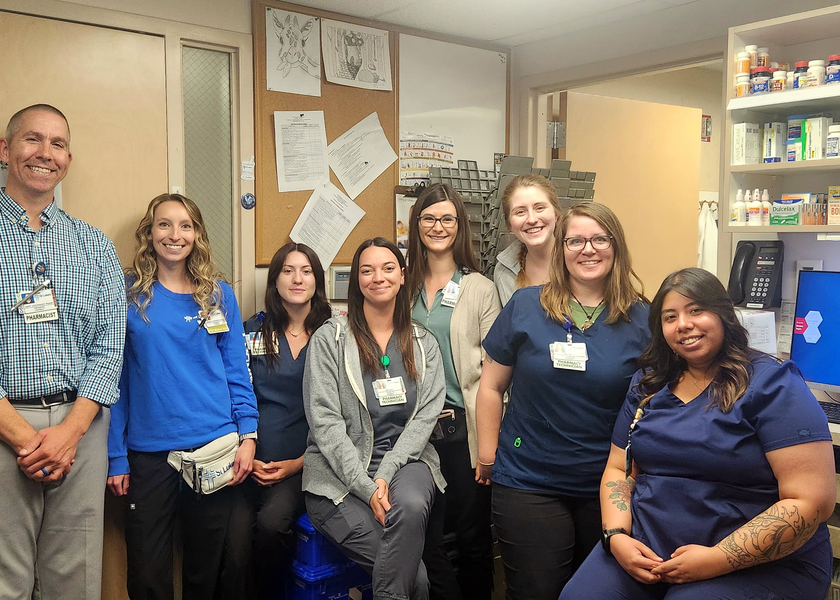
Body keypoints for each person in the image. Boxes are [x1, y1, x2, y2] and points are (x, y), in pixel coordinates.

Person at [561, 267, 836, 600]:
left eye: (696, 310)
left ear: (722, 315)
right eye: (670, 316)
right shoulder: (649, 383)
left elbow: (811, 502)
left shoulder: (773, 385)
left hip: (761, 561)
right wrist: (616, 536)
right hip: (649, 545)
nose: (683, 324)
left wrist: (717, 559)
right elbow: (620, 469)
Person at [476, 202, 650, 600]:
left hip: (607, 486)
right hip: (528, 481)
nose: (587, 249)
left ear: (615, 245)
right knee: (537, 591)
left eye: (599, 239)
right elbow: (490, 387)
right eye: (575, 240)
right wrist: (488, 457)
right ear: (561, 248)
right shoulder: (526, 306)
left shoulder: (643, 318)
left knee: (596, 593)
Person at [0, 104, 126, 600]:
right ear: (6, 150)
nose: (44, 153)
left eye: (57, 144)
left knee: (74, 582)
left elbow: (109, 347)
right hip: (5, 426)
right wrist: (23, 436)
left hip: (82, 427)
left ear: (68, 160)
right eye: (32, 140)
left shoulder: (93, 244)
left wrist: (71, 432)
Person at [107, 193, 259, 600]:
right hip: (149, 453)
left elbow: (236, 371)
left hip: (213, 448)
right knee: (148, 575)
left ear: (197, 235)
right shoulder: (126, 294)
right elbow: (114, 381)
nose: (175, 235)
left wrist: (249, 436)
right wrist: (116, 456)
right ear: (149, 232)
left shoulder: (218, 294)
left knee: (204, 572)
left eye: (185, 226)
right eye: (164, 225)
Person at [303, 237, 446, 600]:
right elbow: (325, 423)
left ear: (402, 276)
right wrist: (367, 489)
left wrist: (385, 473)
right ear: (356, 281)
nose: (377, 277)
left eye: (387, 268)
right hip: (336, 478)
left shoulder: (423, 342)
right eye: (366, 270)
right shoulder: (329, 340)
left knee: (412, 505)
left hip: (406, 463)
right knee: (417, 582)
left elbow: (425, 417)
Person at [405, 183, 501, 600]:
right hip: (412, 431)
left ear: (460, 225)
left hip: (463, 431)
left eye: (447, 218)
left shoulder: (480, 287)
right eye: (429, 218)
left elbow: (497, 375)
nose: (438, 226)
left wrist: (488, 448)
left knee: (471, 538)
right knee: (425, 538)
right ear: (416, 224)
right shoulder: (402, 284)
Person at [228, 242, 331, 599]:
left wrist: (296, 465)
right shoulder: (252, 331)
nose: (297, 279)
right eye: (288, 270)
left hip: (303, 464)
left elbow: (344, 416)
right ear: (274, 280)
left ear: (317, 280)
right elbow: (235, 395)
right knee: (234, 549)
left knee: (272, 528)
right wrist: (245, 448)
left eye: (306, 271)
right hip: (247, 460)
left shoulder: (334, 336)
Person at [493, 174, 562, 306]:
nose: (532, 219)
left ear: (556, 214)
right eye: (520, 212)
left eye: (539, 208)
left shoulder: (579, 260)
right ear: (509, 225)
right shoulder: (504, 272)